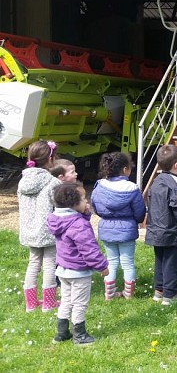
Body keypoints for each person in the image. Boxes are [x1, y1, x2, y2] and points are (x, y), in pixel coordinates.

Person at [47, 183, 109, 345]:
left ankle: (61, 333)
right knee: (79, 303)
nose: (86, 201)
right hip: (78, 272)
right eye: (83, 199)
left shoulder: (58, 219)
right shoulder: (78, 224)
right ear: (74, 204)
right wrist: (102, 266)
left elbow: (74, 223)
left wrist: (85, 213)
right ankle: (79, 335)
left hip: (63, 270)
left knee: (66, 300)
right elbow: (89, 249)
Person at [91, 152, 146, 300]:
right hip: (127, 228)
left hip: (106, 228)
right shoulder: (132, 188)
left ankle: (109, 293)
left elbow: (95, 206)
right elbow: (140, 211)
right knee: (127, 262)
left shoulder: (99, 186)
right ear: (124, 169)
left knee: (112, 261)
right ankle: (128, 293)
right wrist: (137, 220)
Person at [145, 144, 177, 306]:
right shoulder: (176, 184)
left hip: (156, 231)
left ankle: (159, 290)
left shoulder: (156, 181)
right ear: (176, 165)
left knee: (160, 261)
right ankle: (170, 294)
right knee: (173, 264)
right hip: (171, 232)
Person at [18, 140, 63, 312]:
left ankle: (31, 304)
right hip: (48, 230)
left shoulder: (23, 181)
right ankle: (49, 303)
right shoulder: (53, 182)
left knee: (33, 263)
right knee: (50, 263)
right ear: (50, 159)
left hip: (29, 230)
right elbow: (59, 205)